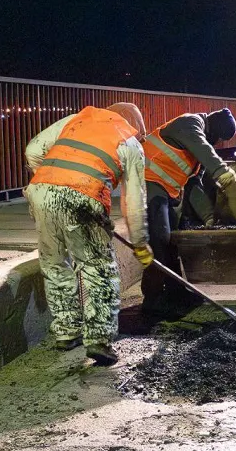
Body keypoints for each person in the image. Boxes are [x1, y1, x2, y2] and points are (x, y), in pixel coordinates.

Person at [24, 106, 153, 366]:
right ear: (135, 126)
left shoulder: (78, 118)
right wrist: (140, 242)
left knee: (54, 263)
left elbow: (33, 151)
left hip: (40, 191)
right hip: (84, 196)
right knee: (98, 269)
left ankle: (66, 331)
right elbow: (134, 202)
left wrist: (50, 181)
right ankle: (98, 340)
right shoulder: (130, 141)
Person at [141, 108, 236, 312]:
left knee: (172, 242)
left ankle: (175, 291)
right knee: (159, 240)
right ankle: (152, 300)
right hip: (147, 182)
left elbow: (194, 186)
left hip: (164, 191)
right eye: (219, 138)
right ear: (213, 129)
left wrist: (209, 218)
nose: (217, 143)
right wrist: (221, 170)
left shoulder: (196, 150)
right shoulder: (190, 123)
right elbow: (202, 146)